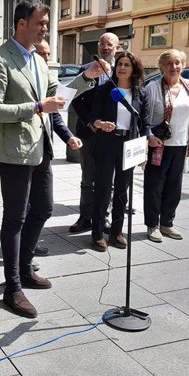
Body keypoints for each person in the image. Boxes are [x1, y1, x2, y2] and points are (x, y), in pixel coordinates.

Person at [0, 0, 105, 319]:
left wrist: (86, 76)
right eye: (41, 23)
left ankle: (24, 267)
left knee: (45, 208)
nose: (46, 28)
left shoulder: (38, 59)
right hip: (14, 153)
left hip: (41, 147)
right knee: (16, 217)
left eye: (47, 24)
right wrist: (36, 108)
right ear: (21, 24)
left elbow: (57, 97)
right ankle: (12, 286)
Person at [89, 51, 149, 252]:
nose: (122, 67)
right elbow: (93, 117)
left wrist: (144, 150)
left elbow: (145, 123)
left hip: (129, 144)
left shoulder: (140, 92)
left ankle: (116, 231)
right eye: (120, 64)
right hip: (107, 143)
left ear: (134, 69)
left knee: (123, 190)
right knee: (103, 189)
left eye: (127, 65)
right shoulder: (106, 89)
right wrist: (100, 123)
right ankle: (97, 233)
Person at [32, 40, 82, 264]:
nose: (45, 58)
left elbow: (56, 117)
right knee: (23, 208)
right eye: (40, 53)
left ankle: (28, 245)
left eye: (48, 54)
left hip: (45, 153)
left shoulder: (48, 81)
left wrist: (69, 137)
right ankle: (23, 253)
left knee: (44, 205)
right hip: (22, 155)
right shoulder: (28, 80)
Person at [144, 49, 189, 242]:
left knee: (174, 187)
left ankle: (167, 223)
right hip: (158, 144)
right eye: (168, 63)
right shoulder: (152, 87)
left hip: (180, 144)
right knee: (154, 186)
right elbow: (144, 118)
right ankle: (152, 225)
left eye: (177, 63)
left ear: (183, 65)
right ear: (161, 67)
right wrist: (149, 136)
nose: (173, 67)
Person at [69, 32, 120, 234]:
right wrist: (89, 122)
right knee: (87, 178)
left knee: (109, 179)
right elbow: (75, 99)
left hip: (112, 134)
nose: (104, 47)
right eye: (101, 43)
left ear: (117, 47)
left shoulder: (121, 70)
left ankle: (104, 217)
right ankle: (85, 217)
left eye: (109, 44)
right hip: (88, 133)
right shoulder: (85, 70)